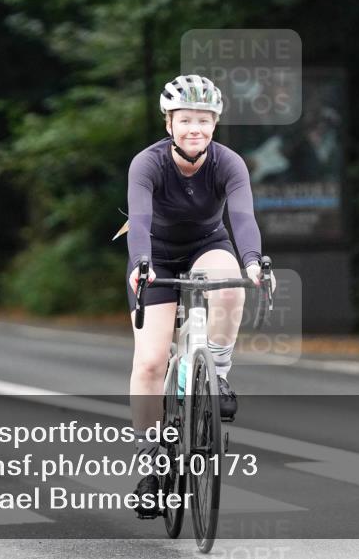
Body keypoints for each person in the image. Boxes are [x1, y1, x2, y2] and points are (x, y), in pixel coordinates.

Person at [125, 74, 275, 514]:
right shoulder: (147, 164)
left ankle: (219, 372)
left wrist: (253, 261)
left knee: (229, 284)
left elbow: (242, 217)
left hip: (207, 245)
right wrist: (141, 265)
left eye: (204, 120)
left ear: (215, 124)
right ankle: (152, 466)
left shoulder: (229, 163)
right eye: (186, 119)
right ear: (169, 122)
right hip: (156, 255)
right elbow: (138, 220)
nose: (195, 128)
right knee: (150, 363)